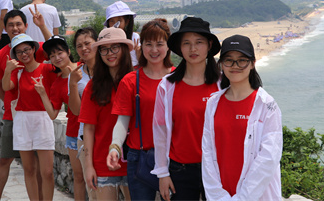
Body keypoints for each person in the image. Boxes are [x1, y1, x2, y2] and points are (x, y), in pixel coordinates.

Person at [202, 35, 282, 201]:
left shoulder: (266, 105)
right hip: (221, 196)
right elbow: (207, 153)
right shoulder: (213, 103)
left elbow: (268, 158)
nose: (235, 66)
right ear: (221, 64)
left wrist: (242, 198)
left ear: (252, 63)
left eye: (242, 60)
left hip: (257, 196)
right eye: (229, 60)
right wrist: (219, 196)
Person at [152, 17, 221, 201]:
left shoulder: (222, 85)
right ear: (180, 48)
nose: (193, 49)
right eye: (187, 43)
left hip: (216, 169)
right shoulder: (167, 86)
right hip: (179, 170)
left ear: (209, 45)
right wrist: (162, 173)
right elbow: (159, 131)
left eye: (199, 42)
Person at [107, 18, 174, 200]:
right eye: (148, 44)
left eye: (159, 44)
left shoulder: (177, 78)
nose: (154, 50)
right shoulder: (131, 80)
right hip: (140, 157)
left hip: (173, 158)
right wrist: (115, 147)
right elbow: (123, 120)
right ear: (141, 46)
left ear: (168, 46)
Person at [0, 8, 50, 201]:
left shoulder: (36, 48)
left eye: (18, 24)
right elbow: (0, 86)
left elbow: (55, 50)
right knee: (5, 159)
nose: (15, 28)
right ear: (5, 29)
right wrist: (10, 103)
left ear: (26, 26)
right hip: (14, 116)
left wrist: (42, 26)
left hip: (38, 114)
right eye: (10, 25)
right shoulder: (1, 56)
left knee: (38, 166)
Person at [79, 27, 133, 201]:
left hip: (134, 162)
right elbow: (88, 129)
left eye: (115, 47)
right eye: (104, 49)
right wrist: (89, 166)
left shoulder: (136, 81)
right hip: (103, 162)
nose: (110, 53)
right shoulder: (93, 87)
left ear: (124, 49)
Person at [2, 33, 58, 201]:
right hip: (23, 120)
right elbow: (7, 87)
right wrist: (7, 70)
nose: (24, 54)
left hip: (43, 119)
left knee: (47, 172)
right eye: (19, 52)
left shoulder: (47, 69)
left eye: (26, 49)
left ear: (34, 49)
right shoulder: (18, 73)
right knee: (29, 169)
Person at [34, 35, 86, 201]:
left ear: (69, 52)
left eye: (60, 52)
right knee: (79, 177)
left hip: (95, 128)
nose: (57, 58)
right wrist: (43, 93)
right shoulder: (57, 83)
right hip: (74, 131)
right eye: (52, 55)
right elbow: (53, 114)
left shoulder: (85, 68)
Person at [68, 27, 98, 201]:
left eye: (87, 43)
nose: (84, 48)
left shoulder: (110, 69)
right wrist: (72, 84)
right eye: (79, 46)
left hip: (108, 134)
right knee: (93, 190)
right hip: (84, 135)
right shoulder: (76, 74)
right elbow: (76, 111)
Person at [104, 1, 140, 68]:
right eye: (112, 21)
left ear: (126, 22)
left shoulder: (134, 37)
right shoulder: (105, 40)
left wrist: (138, 52)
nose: (115, 24)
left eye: (119, 21)